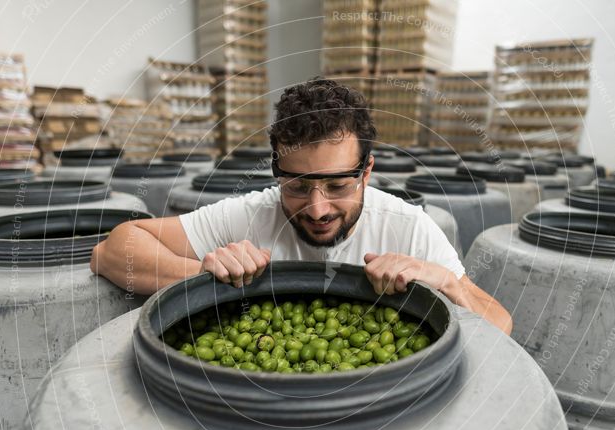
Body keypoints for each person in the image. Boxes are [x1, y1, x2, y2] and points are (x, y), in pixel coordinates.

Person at [91, 78, 512, 334]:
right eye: (295, 186)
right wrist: (204, 276)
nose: (316, 208)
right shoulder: (248, 215)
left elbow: (501, 325)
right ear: (276, 172)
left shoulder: (407, 227)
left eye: (337, 184)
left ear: (367, 171)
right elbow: (111, 249)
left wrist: (447, 282)